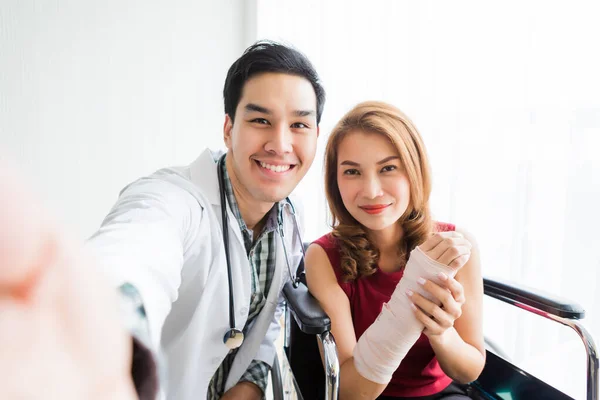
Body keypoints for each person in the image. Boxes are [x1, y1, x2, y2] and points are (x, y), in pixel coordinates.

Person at [0, 40, 325, 400]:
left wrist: (248, 385)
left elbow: (267, 313)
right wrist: (100, 329)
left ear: (316, 136)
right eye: (261, 120)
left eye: (298, 124)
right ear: (228, 129)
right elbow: (132, 256)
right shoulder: (174, 201)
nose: (280, 144)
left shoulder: (288, 215)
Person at [305, 101, 485, 399]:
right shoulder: (323, 256)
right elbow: (350, 392)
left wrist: (441, 333)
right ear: (335, 182)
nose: (372, 191)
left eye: (388, 168)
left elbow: (469, 370)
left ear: (414, 170)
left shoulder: (453, 246)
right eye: (352, 172)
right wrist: (405, 316)